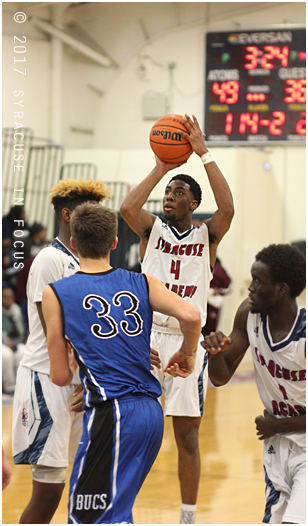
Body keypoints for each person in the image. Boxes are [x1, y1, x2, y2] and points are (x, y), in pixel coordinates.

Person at [41, 202, 201, 524]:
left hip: (113, 413)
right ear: (115, 242)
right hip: (151, 413)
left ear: (73, 243)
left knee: (88, 518)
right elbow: (192, 315)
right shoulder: (144, 281)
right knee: (117, 512)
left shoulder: (56, 292)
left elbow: (59, 376)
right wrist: (188, 352)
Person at [120, 113, 234, 523]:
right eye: (168, 191)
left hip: (188, 343)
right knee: (135, 430)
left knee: (187, 436)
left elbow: (229, 206)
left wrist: (202, 153)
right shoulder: (151, 230)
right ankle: (121, 506)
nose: (170, 195)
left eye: (179, 190)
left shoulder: (208, 235)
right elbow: (128, 206)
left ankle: (187, 515)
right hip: (146, 337)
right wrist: (161, 167)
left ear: (194, 203)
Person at [12, 179, 110, 524]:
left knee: (77, 483)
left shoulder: (85, 259)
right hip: (46, 379)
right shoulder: (50, 259)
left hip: (77, 381)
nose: (98, 216)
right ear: (68, 215)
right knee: (49, 490)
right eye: (91, 210)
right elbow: (59, 331)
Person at [202, 244, 306, 524]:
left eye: (258, 281)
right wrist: (216, 354)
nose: (250, 287)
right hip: (276, 443)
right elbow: (220, 378)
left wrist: (279, 425)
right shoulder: (248, 314)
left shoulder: (304, 336)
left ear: (281, 290)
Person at [202, 256, 232, 337]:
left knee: (209, 330)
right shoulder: (201, 265)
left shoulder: (218, 269)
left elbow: (229, 285)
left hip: (212, 303)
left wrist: (217, 291)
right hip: (201, 301)